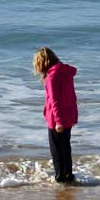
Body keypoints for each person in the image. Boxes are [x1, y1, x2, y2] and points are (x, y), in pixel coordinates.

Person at [33, 47, 78, 183]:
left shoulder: (52, 77)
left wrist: (58, 121)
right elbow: (69, 95)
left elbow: (54, 100)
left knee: (57, 150)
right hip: (69, 114)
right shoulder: (65, 72)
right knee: (65, 147)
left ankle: (59, 177)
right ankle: (68, 175)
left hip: (57, 118)